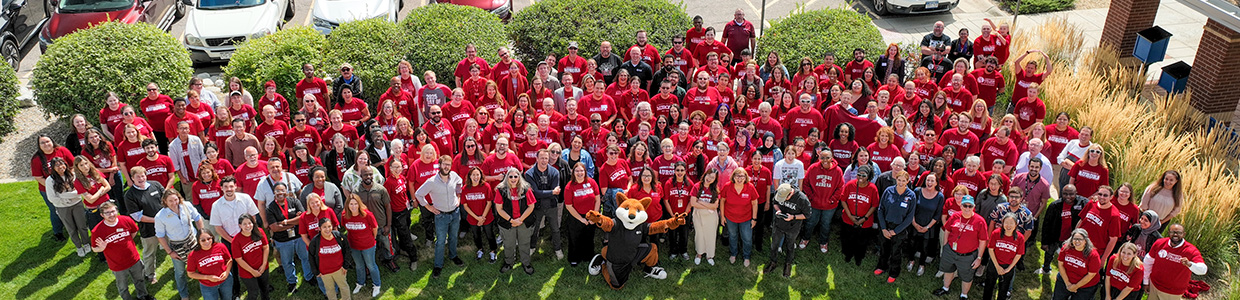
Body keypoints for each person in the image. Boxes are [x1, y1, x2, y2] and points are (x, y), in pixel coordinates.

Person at [414, 155, 467, 277]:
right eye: (444, 164)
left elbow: (460, 183)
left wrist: (458, 196)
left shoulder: (454, 176)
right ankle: (438, 265)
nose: (446, 167)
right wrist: (429, 207)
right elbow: (418, 194)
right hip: (441, 216)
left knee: (453, 237)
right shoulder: (432, 181)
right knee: (441, 241)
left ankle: (453, 256)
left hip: (455, 213)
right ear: (439, 165)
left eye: (449, 164)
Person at [932, 195, 988, 299]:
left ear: (973, 207)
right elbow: (947, 230)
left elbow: (983, 240)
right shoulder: (955, 216)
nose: (967, 208)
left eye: (970, 206)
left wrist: (979, 257)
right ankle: (945, 288)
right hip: (951, 251)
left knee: (967, 276)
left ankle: (964, 295)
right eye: (965, 206)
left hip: (968, 255)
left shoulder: (980, 221)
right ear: (961, 206)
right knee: (948, 270)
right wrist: (945, 246)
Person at [154, 189, 204, 300]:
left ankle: (205, 287)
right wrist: (170, 252)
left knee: (200, 266)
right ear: (165, 201)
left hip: (193, 242)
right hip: (177, 248)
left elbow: (197, 218)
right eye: (170, 201)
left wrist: (202, 233)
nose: (174, 203)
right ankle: (184, 295)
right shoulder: (160, 216)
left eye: (176, 199)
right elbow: (160, 236)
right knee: (180, 272)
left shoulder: (187, 205)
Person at [265, 181, 313, 293]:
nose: (280, 192)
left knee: (305, 258)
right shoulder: (270, 208)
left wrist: (285, 222)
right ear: (274, 192)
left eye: (282, 190)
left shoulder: (294, 201)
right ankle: (292, 281)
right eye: (277, 190)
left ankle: (309, 277)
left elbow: (303, 218)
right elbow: (274, 228)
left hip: (299, 237)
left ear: (286, 191)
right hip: (283, 241)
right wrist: (295, 222)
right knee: (287, 262)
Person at [123, 165, 166, 285]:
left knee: (174, 246)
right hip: (148, 230)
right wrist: (156, 220)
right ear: (132, 178)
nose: (141, 179)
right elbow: (137, 216)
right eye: (138, 177)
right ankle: (150, 275)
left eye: (143, 176)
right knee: (149, 253)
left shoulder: (155, 185)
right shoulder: (130, 195)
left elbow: (166, 199)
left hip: (166, 225)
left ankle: (179, 268)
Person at [1143, 224, 1207, 300]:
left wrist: (1190, 264)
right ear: (1168, 233)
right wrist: (1146, 281)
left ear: (1184, 234)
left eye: (1179, 232)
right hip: (1154, 286)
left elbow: (1203, 270)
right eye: (1173, 232)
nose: (1175, 235)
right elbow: (1148, 262)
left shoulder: (1191, 251)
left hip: (1173, 293)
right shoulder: (1160, 243)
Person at [1038, 184, 1090, 274]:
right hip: (1055, 236)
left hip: (1071, 238)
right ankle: (1046, 269)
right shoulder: (1054, 206)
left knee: (1069, 257)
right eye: (1065, 194)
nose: (1068, 197)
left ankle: (1066, 273)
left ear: (1076, 193)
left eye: (1071, 194)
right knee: (1049, 253)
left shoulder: (1083, 203)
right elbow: (1046, 224)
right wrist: (1045, 242)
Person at [875, 170, 916, 283]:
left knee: (896, 252)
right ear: (896, 179)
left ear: (908, 181)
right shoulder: (888, 191)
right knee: (884, 248)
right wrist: (883, 228)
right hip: (886, 225)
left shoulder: (911, 195)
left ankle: (894, 272)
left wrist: (896, 231)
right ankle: (882, 266)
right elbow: (880, 209)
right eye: (899, 180)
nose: (901, 183)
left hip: (899, 228)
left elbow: (909, 217)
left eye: (904, 180)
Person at [496, 167, 538, 275]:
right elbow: (499, 209)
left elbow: (531, 206)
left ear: (519, 177)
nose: (513, 178)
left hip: (523, 222)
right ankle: (509, 263)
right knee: (508, 244)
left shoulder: (526, 188)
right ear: (507, 178)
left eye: (516, 176)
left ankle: (526, 263)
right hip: (507, 222)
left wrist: (520, 220)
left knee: (524, 243)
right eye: (511, 176)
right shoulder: (501, 190)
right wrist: (511, 220)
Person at [800, 148, 843, 253]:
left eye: (827, 157)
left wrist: (833, 200)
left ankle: (823, 242)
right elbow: (806, 183)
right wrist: (811, 197)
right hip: (814, 203)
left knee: (826, 224)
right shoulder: (813, 168)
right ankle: (805, 238)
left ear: (831, 158)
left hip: (829, 206)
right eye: (822, 157)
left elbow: (840, 188)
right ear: (819, 158)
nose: (825, 160)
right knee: (810, 222)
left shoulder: (838, 171)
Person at [522, 150, 563, 259]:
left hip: (551, 206)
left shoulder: (555, 172)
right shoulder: (529, 173)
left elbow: (555, 192)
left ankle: (558, 249)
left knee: (555, 229)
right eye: (542, 158)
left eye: (546, 158)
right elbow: (535, 193)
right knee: (534, 229)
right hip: (536, 206)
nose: (544, 161)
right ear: (537, 159)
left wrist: (547, 193)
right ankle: (532, 247)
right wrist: (551, 192)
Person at [34, 135, 76, 240]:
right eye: (42, 143)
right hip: (48, 189)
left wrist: (68, 181)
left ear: (52, 141)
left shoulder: (62, 150)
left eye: (47, 141)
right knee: (55, 210)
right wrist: (54, 187)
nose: (46, 144)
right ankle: (58, 232)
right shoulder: (37, 158)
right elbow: (38, 177)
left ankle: (77, 225)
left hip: (67, 186)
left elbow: (73, 165)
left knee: (73, 205)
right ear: (39, 146)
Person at [45, 158, 90, 257]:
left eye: (62, 164)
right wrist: (66, 199)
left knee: (82, 225)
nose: (61, 167)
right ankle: (79, 247)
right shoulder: (50, 180)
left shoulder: (73, 176)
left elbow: (79, 192)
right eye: (57, 165)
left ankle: (86, 243)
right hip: (62, 208)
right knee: (71, 228)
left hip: (77, 204)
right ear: (53, 168)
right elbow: (52, 198)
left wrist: (62, 195)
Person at [764, 184, 810, 277]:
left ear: (790, 194)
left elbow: (807, 215)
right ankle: (773, 262)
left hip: (793, 227)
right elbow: (775, 203)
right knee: (774, 244)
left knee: (790, 245)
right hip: (778, 225)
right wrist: (778, 211)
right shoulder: (780, 191)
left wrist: (793, 217)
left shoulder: (802, 199)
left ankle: (788, 264)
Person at [340, 195, 381, 297]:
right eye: (351, 204)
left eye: (355, 204)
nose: (353, 206)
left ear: (359, 204)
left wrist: (373, 238)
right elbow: (345, 227)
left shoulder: (367, 215)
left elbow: (375, 227)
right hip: (353, 245)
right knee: (359, 266)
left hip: (368, 245)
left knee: (371, 265)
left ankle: (376, 285)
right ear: (347, 205)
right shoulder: (345, 216)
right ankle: (360, 283)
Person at [980, 213, 1025, 300]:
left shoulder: (1020, 238)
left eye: (1011, 223)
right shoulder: (996, 233)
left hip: (1008, 266)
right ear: (1002, 223)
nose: (1008, 225)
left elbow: (1018, 254)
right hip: (994, 264)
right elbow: (991, 249)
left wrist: (1009, 268)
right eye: (1006, 222)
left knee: (1003, 290)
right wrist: (997, 266)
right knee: (988, 287)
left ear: (1016, 225)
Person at [721, 168, 758, 267]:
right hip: (730, 218)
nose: (739, 178)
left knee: (747, 238)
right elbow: (722, 200)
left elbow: (754, 203)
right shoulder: (727, 186)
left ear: (746, 177)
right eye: (737, 176)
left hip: (746, 218)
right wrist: (722, 216)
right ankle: (733, 254)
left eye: (742, 176)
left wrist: (754, 219)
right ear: (733, 177)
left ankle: (746, 256)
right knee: (733, 236)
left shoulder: (750, 187)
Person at [309, 218, 354, 300]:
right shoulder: (315, 241)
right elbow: (311, 256)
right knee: (330, 290)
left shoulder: (338, 236)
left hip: (339, 269)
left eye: (329, 226)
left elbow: (347, 250)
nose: (327, 229)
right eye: (324, 227)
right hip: (324, 272)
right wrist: (316, 271)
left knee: (344, 287)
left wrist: (345, 266)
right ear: (319, 228)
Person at [1054, 229, 1102, 300]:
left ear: (1085, 241)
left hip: (1085, 286)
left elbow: (1091, 275)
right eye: (1075, 239)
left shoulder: (1093, 255)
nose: (1077, 241)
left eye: (1080, 239)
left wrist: (1075, 286)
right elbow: (1061, 264)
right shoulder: (1066, 248)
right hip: (1065, 280)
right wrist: (1068, 284)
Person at [231, 214, 270, 300]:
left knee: (265, 289)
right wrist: (252, 271)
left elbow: (266, 247)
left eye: (250, 223)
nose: (248, 226)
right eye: (244, 224)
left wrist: (263, 265)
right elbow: (238, 259)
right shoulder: (236, 240)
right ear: (240, 225)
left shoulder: (259, 231)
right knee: (253, 293)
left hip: (262, 267)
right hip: (247, 272)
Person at [186, 231, 233, 300]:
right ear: (198, 241)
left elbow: (229, 260)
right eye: (203, 240)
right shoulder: (193, 255)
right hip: (207, 285)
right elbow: (190, 273)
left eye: (209, 238)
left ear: (212, 238)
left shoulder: (220, 246)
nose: (207, 242)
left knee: (228, 298)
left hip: (225, 281)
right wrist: (208, 277)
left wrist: (227, 271)